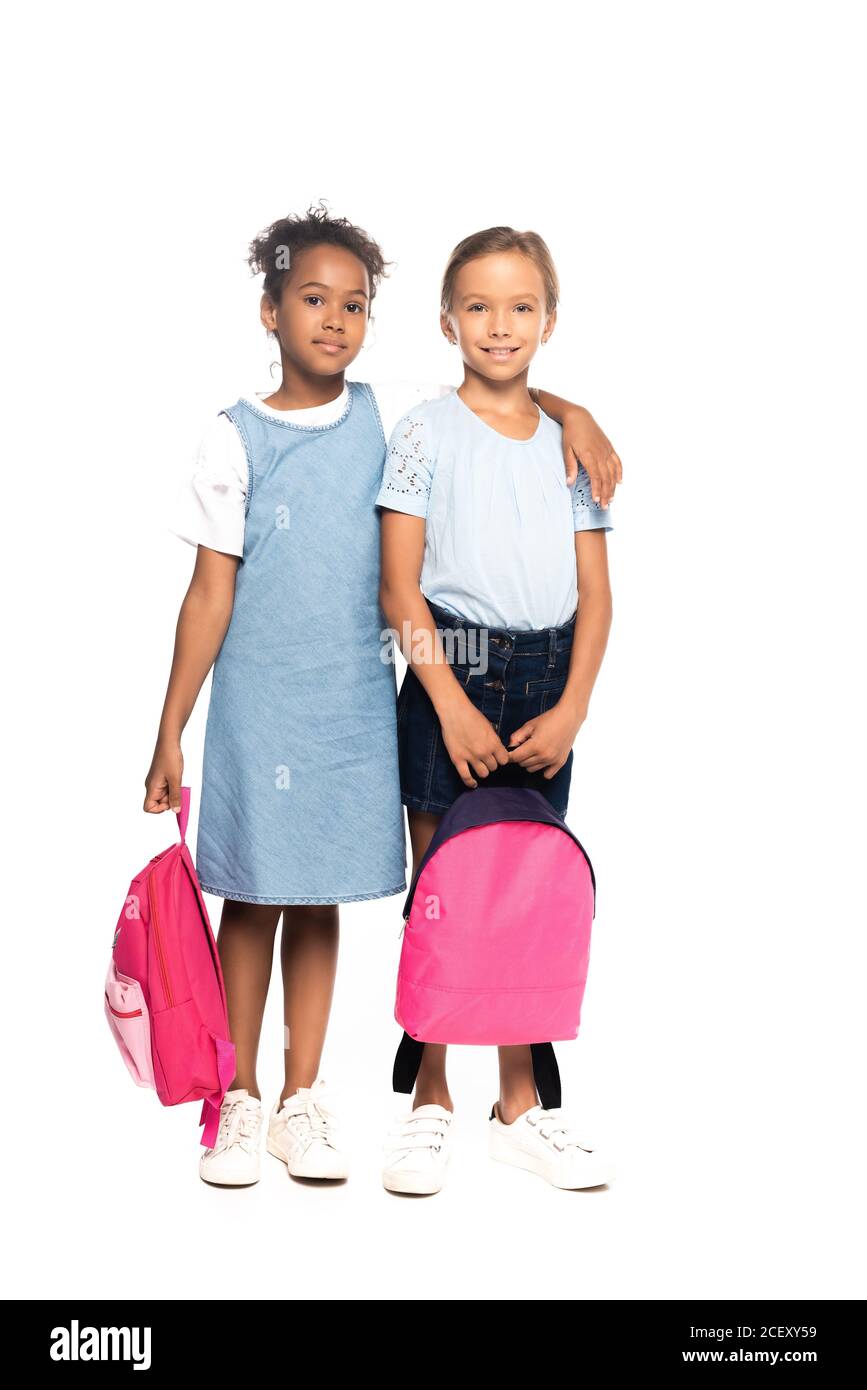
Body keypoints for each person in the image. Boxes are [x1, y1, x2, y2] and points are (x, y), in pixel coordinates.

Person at [144, 205, 621, 1187]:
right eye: (313, 299)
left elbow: (499, 385)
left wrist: (579, 413)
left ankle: (366, 1101)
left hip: (419, 694)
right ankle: (280, 1100)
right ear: (269, 309)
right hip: (314, 695)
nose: (335, 319)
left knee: (418, 893)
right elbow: (215, 591)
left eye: (354, 303)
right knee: (316, 895)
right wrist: (170, 728)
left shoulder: (394, 413)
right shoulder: (295, 434)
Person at [377, 226, 618, 1194]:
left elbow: (597, 595)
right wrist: (448, 704)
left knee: (526, 894)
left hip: (548, 681)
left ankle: (520, 1105)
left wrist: (574, 710)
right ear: (447, 321)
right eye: (478, 306)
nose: (500, 324)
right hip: (456, 668)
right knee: (443, 888)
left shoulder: (571, 445)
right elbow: (401, 588)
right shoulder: (426, 431)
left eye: (522, 306)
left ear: (549, 320)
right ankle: (429, 1094)